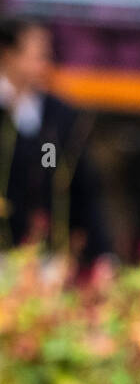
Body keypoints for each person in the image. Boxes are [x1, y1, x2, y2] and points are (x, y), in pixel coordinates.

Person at [0, 18, 113, 274]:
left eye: (47, 55)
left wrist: (102, 252)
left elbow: (82, 187)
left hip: (46, 256)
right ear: (7, 54)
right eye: (37, 55)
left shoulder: (60, 116)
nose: (44, 63)